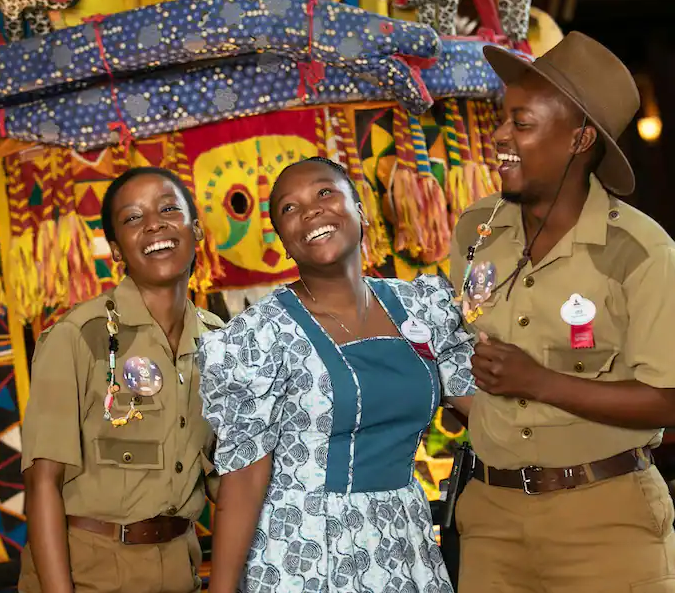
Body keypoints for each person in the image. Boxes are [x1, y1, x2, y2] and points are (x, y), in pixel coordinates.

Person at [447, 32, 675, 592]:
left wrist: (539, 383)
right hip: (491, 521)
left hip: (605, 522)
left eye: (521, 123)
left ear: (579, 137)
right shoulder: (476, 230)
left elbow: (674, 400)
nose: (499, 136)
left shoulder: (642, 254)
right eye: (501, 119)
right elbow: (462, 343)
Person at [198, 156, 476, 593]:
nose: (310, 211)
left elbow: (483, 412)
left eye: (324, 192)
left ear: (359, 208)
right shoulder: (261, 336)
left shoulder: (423, 308)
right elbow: (246, 477)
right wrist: (222, 588)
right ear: (285, 243)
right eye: (290, 208)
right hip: (303, 550)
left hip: (403, 539)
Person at [18, 167, 224, 593]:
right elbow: (43, 483)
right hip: (90, 571)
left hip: (181, 568)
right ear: (115, 249)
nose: (154, 224)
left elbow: (228, 477)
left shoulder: (221, 341)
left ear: (197, 229)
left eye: (169, 208)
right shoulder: (79, 336)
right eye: (133, 218)